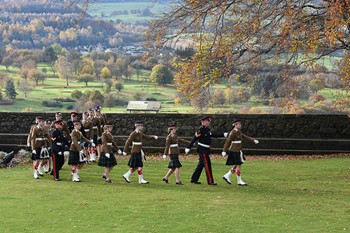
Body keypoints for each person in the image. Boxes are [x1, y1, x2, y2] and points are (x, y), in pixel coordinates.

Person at [185, 116, 227, 185]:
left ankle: (194, 179)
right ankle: (210, 181)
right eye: (208, 121)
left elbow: (213, 135)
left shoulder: (207, 129)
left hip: (206, 149)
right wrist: (188, 147)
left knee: (201, 165)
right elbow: (194, 138)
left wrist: (223, 134)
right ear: (204, 122)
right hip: (202, 150)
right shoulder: (200, 130)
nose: (209, 122)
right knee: (207, 165)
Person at [221, 119, 259, 186]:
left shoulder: (238, 131)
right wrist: (224, 150)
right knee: (238, 165)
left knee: (236, 164)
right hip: (234, 150)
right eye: (239, 124)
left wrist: (253, 140)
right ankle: (239, 181)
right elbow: (228, 141)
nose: (240, 125)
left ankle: (227, 175)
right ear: (235, 125)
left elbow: (245, 137)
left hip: (238, 150)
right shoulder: (233, 132)